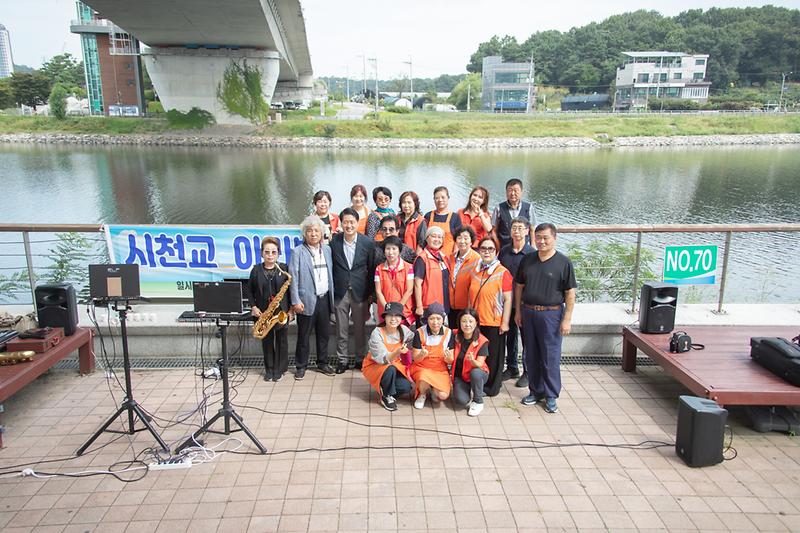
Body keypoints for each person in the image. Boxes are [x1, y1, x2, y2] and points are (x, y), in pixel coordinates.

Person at [516, 223, 577, 414]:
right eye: (538, 237)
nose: (541, 241)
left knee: (550, 356)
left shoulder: (563, 262)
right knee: (531, 353)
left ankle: (551, 395)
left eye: (546, 238)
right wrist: (518, 311)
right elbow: (519, 286)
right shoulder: (528, 259)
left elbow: (570, 293)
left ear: (554, 238)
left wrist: (567, 319)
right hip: (528, 312)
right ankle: (535, 391)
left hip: (551, 314)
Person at [289, 215, 336, 379]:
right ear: (304, 234)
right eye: (309, 231)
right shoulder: (297, 252)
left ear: (322, 232)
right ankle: (301, 365)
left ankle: (322, 363)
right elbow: (293, 277)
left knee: (324, 334)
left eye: (316, 230)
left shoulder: (328, 250)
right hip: (305, 301)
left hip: (324, 298)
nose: (313, 234)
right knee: (303, 335)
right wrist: (295, 301)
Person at [330, 207, 376, 372]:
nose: (348, 225)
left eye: (352, 222)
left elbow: (371, 269)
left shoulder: (367, 243)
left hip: (360, 291)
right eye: (345, 222)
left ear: (357, 223)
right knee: (341, 329)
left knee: (360, 329)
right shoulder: (334, 242)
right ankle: (342, 360)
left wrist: (370, 293)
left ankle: (359, 359)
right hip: (340, 292)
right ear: (341, 223)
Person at [468, 236, 513, 397]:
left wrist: (505, 322)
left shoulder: (503, 272)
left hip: (494, 321)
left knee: (494, 356)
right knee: (478, 354)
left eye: (490, 249)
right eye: (483, 248)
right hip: (476, 321)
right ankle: (479, 383)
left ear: (496, 251)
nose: (486, 252)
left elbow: (508, 299)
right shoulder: (476, 269)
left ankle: (492, 387)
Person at [498, 216, 535, 388]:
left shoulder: (532, 254)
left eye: (521, 228)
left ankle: (528, 371)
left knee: (527, 338)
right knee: (509, 336)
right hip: (507, 302)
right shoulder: (504, 251)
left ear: (527, 231)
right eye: (514, 228)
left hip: (525, 303)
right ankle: (512, 367)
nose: (517, 231)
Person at [249, 236, 292, 382]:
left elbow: (291, 291)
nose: (270, 255)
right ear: (262, 253)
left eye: (274, 252)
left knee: (282, 341)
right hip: (263, 312)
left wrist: (291, 310)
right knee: (266, 341)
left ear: (278, 253)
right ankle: (269, 370)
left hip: (281, 312)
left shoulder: (284, 268)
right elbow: (249, 291)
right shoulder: (255, 270)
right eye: (267, 252)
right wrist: (253, 307)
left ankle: (279, 370)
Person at [361, 302, 415, 411]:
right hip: (376, 365)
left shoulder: (404, 330)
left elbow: (414, 340)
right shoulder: (377, 333)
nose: (393, 319)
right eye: (390, 315)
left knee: (406, 387)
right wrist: (398, 352)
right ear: (384, 317)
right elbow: (383, 359)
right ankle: (387, 396)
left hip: (394, 365)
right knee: (389, 368)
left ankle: (386, 388)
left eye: (397, 316)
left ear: (401, 318)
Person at [410, 303, 454, 409]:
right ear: (426, 319)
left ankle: (434, 389)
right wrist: (421, 354)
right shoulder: (419, 332)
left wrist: (449, 359)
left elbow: (450, 360)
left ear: (443, 319)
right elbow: (415, 359)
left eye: (438, 318)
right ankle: (422, 394)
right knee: (423, 378)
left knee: (443, 395)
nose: (435, 322)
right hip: (422, 367)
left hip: (440, 369)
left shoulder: (449, 333)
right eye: (432, 318)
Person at [447, 309, 490, 417]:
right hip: (460, 376)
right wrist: (448, 358)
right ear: (459, 323)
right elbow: (451, 357)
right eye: (464, 321)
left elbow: (480, 364)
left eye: (471, 321)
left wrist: (472, 361)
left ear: (476, 323)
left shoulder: (482, 340)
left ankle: (478, 401)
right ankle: (473, 389)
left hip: (478, 373)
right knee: (461, 401)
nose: (467, 324)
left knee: (475, 373)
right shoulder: (454, 335)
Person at [374, 236, 415, 327]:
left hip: (403, 310)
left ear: (399, 251)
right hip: (384, 310)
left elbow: (409, 290)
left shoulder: (408, 267)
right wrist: (387, 309)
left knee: (402, 338)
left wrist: (397, 309)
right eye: (388, 249)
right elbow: (378, 291)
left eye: (394, 249)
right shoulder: (379, 269)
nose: (391, 252)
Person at [413, 226, 451, 326]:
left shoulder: (444, 257)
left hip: (443, 305)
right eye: (433, 236)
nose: (437, 240)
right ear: (427, 238)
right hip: (427, 308)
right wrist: (419, 306)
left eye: (440, 237)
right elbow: (417, 284)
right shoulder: (422, 258)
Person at [445, 226, 480, 329]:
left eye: (466, 238)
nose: (462, 241)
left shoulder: (477, 259)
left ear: (471, 241)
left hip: (468, 307)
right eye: (459, 238)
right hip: (451, 306)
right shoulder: (450, 258)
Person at [491, 178, 537, 250]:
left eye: (516, 190)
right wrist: (498, 247)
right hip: (504, 248)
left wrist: (533, 247)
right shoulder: (499, 208)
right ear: (506, 192)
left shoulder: (528, 208)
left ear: (521, 192)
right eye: (510, 190)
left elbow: (532, 229)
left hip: (524, 249)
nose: (513, 193)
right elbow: (494, 231)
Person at [424, 186, 461, 256]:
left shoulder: (455, 217)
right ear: (434, 199)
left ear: (448, 198)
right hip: (430, 256)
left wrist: (455, 254)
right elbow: (423, 237)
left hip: (448, 257)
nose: (440, 200)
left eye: (443, 197)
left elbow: (458, 238)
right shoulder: (428, 216)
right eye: (437, 198)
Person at [398, 190, 427, 255]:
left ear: (415, 204)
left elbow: (421, 244)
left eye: (409, 202)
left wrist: (416, 260)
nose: (406, 205)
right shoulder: (397, 219)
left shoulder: (420, 221)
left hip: (411, 257)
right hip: (396, 256)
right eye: (404, 202)